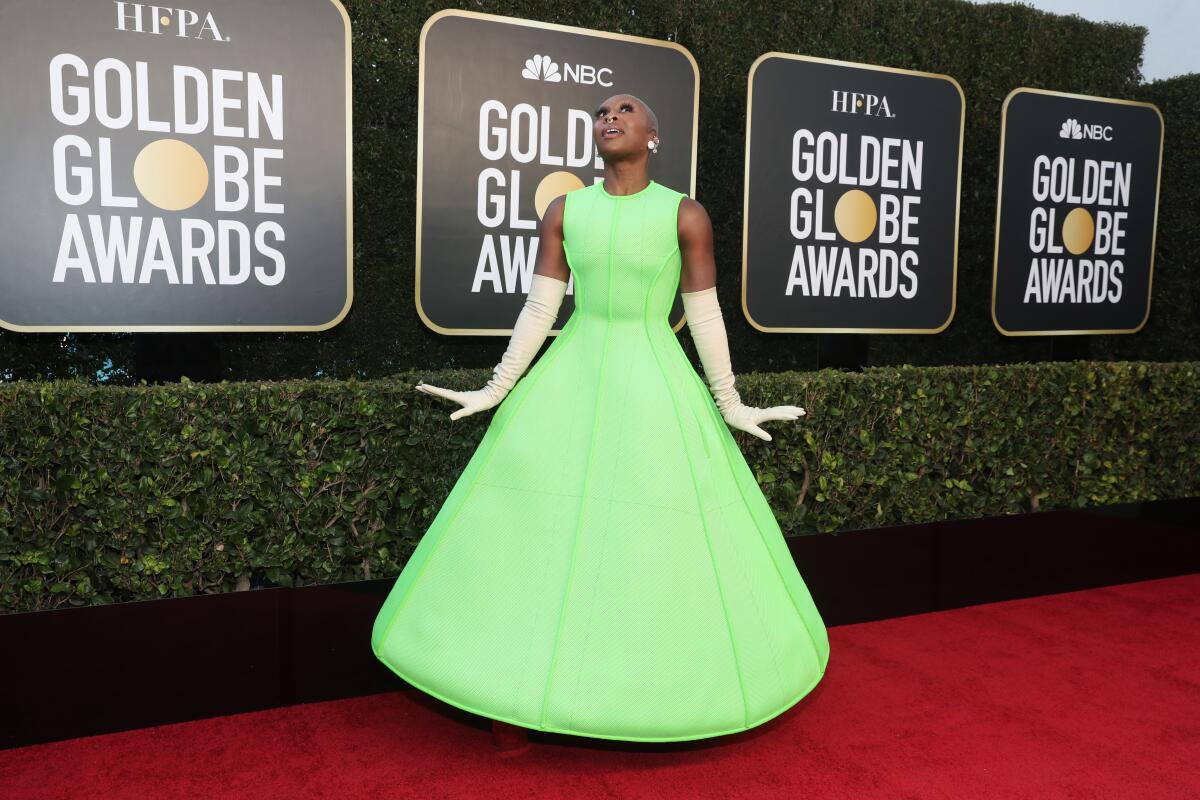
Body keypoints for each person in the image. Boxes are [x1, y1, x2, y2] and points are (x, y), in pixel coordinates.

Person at [372, 93, 830, 754]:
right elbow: (540, 308)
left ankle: (651, 690)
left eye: (626, 110)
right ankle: (509, 697)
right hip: (570, 376)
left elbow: (704, 314)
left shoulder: (685, 214)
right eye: (601, 113)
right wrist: (499, 387)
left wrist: (729, 402)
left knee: (648, 545)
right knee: (537, 541)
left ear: (653, 134)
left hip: (655, 385)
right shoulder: (566, 210)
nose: (609, 117)